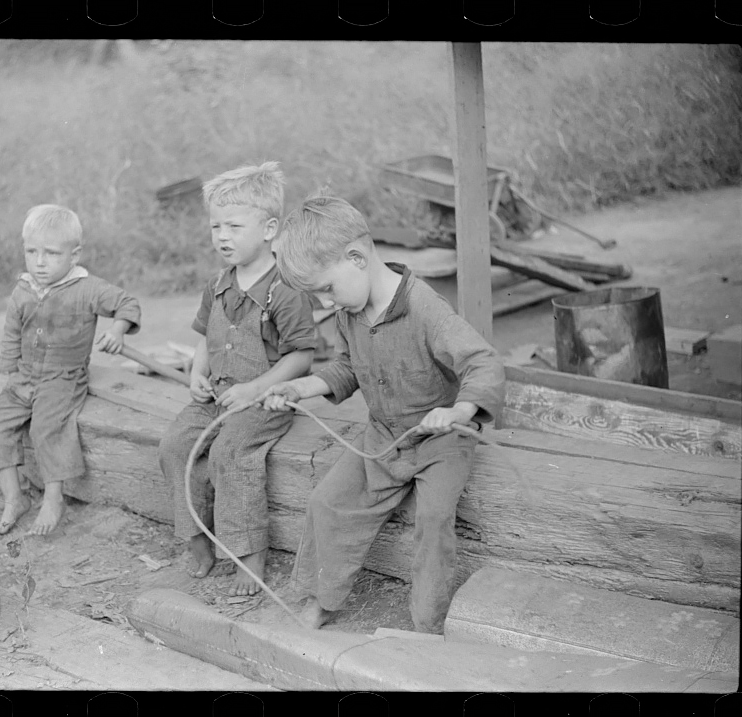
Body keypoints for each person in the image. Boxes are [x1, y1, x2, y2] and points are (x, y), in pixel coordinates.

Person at [262, 191, 505, 632]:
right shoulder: (350, 311)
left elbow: (482, 361)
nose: (327, 303)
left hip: (441, 441)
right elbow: (346, 368)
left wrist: (460, 410)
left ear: (356, 257)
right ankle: (324, 597)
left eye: (326, 289)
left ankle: (427, 624)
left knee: (432, 519)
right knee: (327, 501)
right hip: (383, 437)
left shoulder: (425, 307)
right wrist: (299, 387)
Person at [158, 162, 316, 597]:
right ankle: (197, 540)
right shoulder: (218, 284)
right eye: (215, 227)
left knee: (230, 451)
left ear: (269, 229)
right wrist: (196, 375)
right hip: (218, 397)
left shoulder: (285, 289)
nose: (222, 236)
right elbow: (205, 338)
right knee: (174, 446)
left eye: (234, 226)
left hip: (266, 399)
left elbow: (302, 355)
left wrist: (256, 389)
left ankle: (250, 557)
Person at [0, 204, 141, 537]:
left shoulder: (87, 289)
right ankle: (15, 497)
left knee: (45, 427)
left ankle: (54, 497)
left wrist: (117, 329)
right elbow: (13, 331)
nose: (40, 262)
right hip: (25, 376)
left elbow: (127, 303)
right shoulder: (24, 290)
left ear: (74, 254)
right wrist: (11, 370)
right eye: (32, 252)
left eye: (52, 254)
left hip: (63, 378)